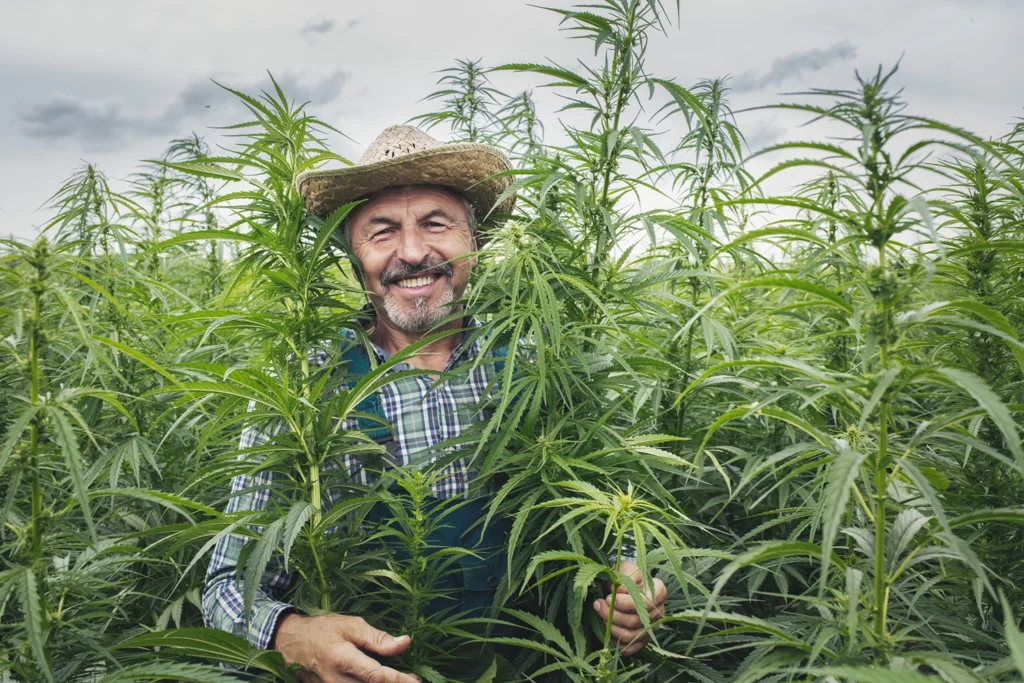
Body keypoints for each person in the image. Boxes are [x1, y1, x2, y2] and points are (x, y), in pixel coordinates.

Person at [202, 125, 668, 683]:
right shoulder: (303, 387)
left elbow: (602, 527)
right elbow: (228, 588)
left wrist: (626, 583)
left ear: (476, 241)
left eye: (436, 223)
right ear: (352, 255)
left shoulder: (539, 365)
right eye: (382, 231)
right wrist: (293, 635)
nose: (414, 252)